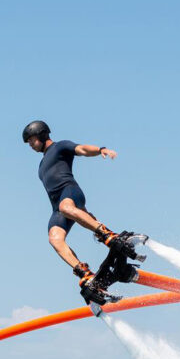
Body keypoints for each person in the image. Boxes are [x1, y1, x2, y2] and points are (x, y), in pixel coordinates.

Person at [22, 119, 133, 299]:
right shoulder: (41, 165)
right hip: (58, 208)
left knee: (66, 207)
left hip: (71, 193)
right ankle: (84, 273)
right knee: (54, 238)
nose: (30, 145)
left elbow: (81, 149)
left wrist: (100, 150)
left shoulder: (60, 147)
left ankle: (107, 234)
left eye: (32, 140)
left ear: (42, 134)